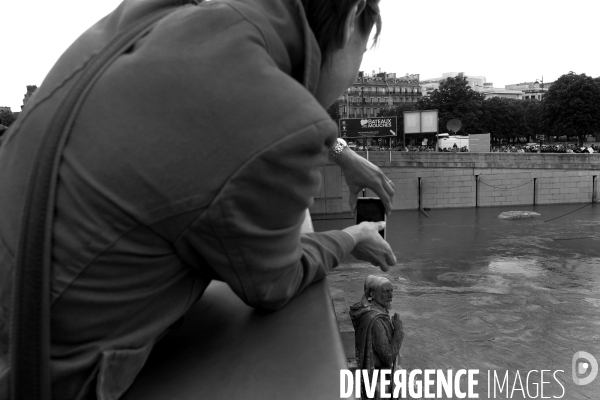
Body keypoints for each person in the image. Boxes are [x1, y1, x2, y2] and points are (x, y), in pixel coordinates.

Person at [0, 0, 397, 398]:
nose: (354, 75)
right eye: (361, 58)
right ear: (350, 19)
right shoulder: (285, 125)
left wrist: (339, 152)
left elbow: (197, 109)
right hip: (45, 378)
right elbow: (275, 283)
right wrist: (353, 236)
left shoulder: (155, 15)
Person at [350, 275, 403, 399]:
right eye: (385, 291)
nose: (391, 296)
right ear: (372, 294)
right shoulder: (376, 322)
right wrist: (398, 330)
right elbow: (388, 357)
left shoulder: (364, 310)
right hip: (379, 382)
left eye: (391, 291)